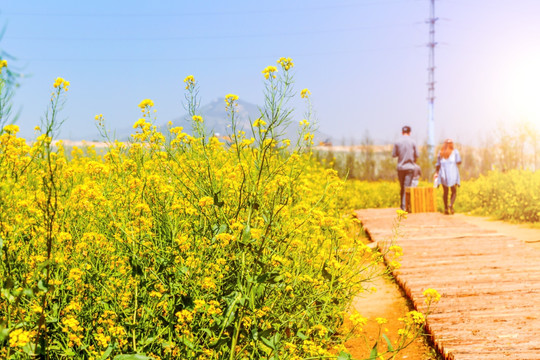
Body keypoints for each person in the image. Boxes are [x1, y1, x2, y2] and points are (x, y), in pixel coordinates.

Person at [392, 125, 418, 211]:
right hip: (410, 167)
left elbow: (394, 154)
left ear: (402, 132)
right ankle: (405, 206)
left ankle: (402, 205)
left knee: (402, 187)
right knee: (407, 187)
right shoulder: (413, 142)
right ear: (410, 132)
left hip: (400, 167)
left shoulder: (397, 142)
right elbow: (417, 155)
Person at [435, 139, 462, 214]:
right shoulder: (455, 152)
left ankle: (446, 208)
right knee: (453, 191)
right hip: (453, 173)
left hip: (443, 174)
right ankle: (451, 205)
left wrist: (436, 173)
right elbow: (459, 161)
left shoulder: (440, 152)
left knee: (445, 191)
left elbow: (437, 165)